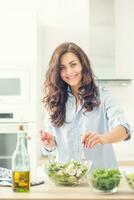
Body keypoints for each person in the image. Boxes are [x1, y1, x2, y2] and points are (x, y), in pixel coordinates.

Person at [40, 42, 132, 170]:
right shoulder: (55, 101)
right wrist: (49, 142)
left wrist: (102, 138)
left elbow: (124, 130)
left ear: (83, 65)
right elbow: (49, 148)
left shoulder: (103, 96)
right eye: (62, 67)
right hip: (67, 180)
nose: (69, 72)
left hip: (101, 180)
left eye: (73, 65)